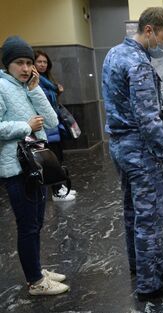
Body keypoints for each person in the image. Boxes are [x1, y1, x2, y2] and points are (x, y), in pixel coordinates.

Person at [102, 7, 163, 301]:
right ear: (149, 30)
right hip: (141, 151)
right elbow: (148, 121)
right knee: (149, 218)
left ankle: (139, 268)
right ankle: (150, 285)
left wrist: (159, 97)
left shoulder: (113, 54)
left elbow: (120, 100)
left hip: (119, 145)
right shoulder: (139, 63)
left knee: (132, 211)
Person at [0, 36, 69, 295]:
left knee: (37, 223)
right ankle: (35, 281)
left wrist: (35, 89)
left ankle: (36, 269)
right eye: (20, 62)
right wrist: (25, 126)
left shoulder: (25, 86)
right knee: (27, 225)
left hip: (35, 165)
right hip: (16, 169)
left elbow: (50, 121)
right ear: (8, 64)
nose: (26, 68)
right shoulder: (1, 86)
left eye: (29, 62)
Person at [34, 49, 76, 201]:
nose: (42, 65)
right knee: (50, 159)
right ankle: (57, 191)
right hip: (43, 126)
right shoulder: (35, 82)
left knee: (58, 156)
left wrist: (57, 92)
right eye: (39, 61)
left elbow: (51, 103)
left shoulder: (47, 81)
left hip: (54, 124)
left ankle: (60, 186)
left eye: (45, 62)